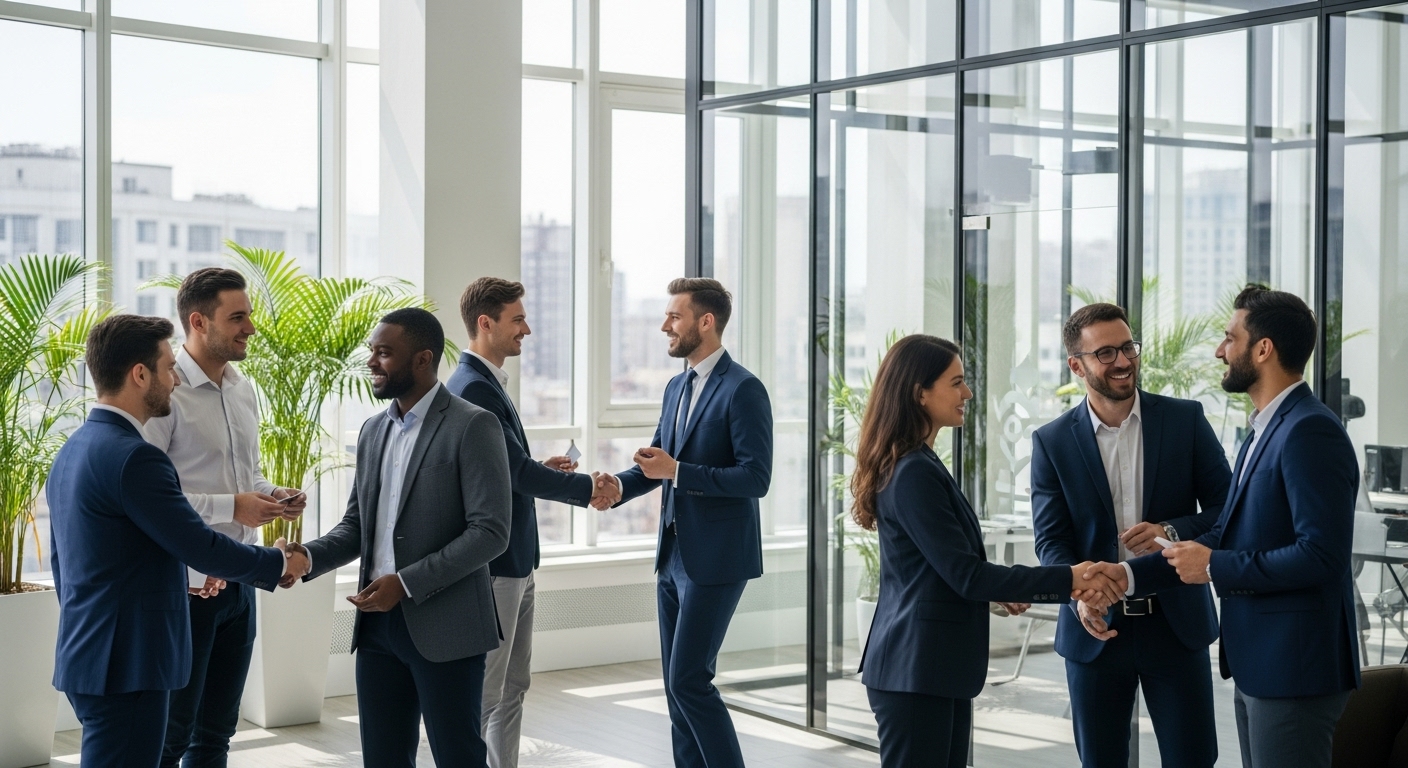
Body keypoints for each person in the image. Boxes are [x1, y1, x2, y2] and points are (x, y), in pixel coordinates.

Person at [1088, 285, 1360, 768]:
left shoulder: (1309, 431)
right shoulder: (1265, 427)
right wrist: (1129, 575)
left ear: (1262, 349)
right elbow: (1228, 533)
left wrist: (1215, 566)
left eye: (1229, 338)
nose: (1219, 350)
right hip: (1262, 665)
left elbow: (1322, 555)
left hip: (1294, 669)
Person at [851, 334, 1124, 768]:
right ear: (919, 393)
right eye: (956, 382)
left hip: (931, 670)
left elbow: (943, 569)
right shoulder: (913, 471)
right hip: (915, 670)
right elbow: (967, 575)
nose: (968, 393)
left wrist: (995, 591)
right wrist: (1070, 578)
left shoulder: (918, 462)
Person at [47, 314, 300, 768]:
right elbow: (198, 543)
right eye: (167, 367)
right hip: (131, 664)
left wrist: (191, 576)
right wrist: (278, 563)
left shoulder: (75, 448)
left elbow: (78, 563)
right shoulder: (136, 458)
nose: (175, 377)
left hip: (89, 654)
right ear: (139, 374)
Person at [293, 307, 512, 767]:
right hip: (377, 629)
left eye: (384, 353)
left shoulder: (472, 425)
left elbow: (490, 532)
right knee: (383, 758)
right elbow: (358, 526)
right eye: (372, 351)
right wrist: (305, 558)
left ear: (422, 359)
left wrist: (406, 583)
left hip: (447, 626)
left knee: (458, 757)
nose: (371, 362)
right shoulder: (373, 431)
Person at [1030, 303, 1231, 768]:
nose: (1123, 361)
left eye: (1128, 347)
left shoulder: (1185, 421)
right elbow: (1051, 541)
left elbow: (1228, 511)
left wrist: (1171, 530)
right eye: (1106, 353)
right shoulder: (1052, 441)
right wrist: (1079, 593)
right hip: (1095, 631)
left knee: (1194, 758)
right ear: (1076, 365)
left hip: (1175, 623)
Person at [590, 278, 772, 768]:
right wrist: (620, 487)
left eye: (675, 316)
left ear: (705, 322)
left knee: (689, 680)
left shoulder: (744, 389)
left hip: (716, 560)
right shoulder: (676, 386)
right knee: (676, 689)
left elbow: (756, 478)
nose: (665, 325)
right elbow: (658, 462)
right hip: (671, 559)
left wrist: (678, 471)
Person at [142, 268, 309, 768]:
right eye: (237, 318)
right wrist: (233, 506)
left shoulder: (242, 389)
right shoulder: (162, 397)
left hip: (239, 578)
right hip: (187, 586)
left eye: (249, 315)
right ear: (198, 321)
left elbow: (245, 476)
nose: (250, 328)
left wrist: (270, 493)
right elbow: (153, 501)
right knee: (173, 735)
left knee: (217, 733)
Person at [447, 277, 594, 768]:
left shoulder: (487, 382)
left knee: (513, 685)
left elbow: (504, 471)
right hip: (495, 565)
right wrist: (591, 489)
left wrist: (542, 471)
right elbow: (514, 472)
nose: (527, 329)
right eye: (518, 319)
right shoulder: (473, 388)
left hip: (517, 561)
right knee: (488, 693)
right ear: (485, 324)